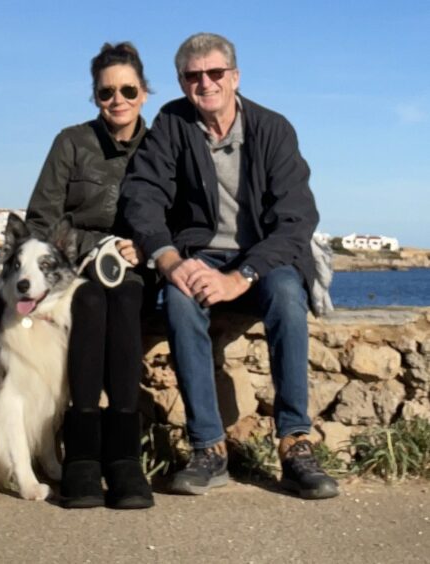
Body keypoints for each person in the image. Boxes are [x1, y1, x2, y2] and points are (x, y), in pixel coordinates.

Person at [119, 33, 339, 500]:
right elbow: (143, 196)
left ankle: (296, 442)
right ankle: (208, 448)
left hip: (262, 256)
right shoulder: (173, 124)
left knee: (285, 295)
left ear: (234, 77)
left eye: (216, 73)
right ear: (182, 82)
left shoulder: (273, 129)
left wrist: (241, 277)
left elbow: (297, 219)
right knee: (179, 299)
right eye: (194, 76)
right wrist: (169, 258)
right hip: (197, 253)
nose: (206, 83)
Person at [26, 42, 154, 509]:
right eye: (106, 93)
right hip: (75, 269)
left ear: (143, 93)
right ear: (95, 97)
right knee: (91, 301)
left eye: (127, 90)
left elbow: (179, 219)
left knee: (122, 300)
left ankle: (124, 458)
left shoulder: (162, 146)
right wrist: (91, 245)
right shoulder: (71, 143)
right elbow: (41, 221)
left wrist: (144, 248)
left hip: (137, 270)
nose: (117, 100)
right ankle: (81, 454)